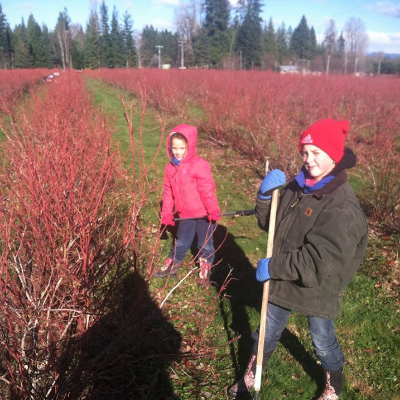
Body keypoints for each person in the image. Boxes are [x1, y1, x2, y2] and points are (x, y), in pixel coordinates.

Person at [228, 119, 368, 399]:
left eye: (317, 153)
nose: (309, 160)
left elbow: (317, 262)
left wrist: (274, 267)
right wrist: (266, 197)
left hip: (320, 284)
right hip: (283, 276)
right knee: (265, 331)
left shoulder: (342, 208)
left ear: (334, 156)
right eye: (305, 152)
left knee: (322, 340)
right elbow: (272, 227)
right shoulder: (299, 186)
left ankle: (333, 382)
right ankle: (252, 375)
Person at [154, 124, 221, 285]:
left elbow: (207, 189)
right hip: (184, 214)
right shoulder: (170, 168)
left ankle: (205, 266)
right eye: (174, 147)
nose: (177, 151)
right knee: (182, 240)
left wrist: (213, 209)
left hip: (204, 214)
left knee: (204, 243)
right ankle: (174, 263)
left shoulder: (199, 165)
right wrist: (167, 213)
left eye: (182, 148)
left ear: (189, 146)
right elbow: (168, 192)